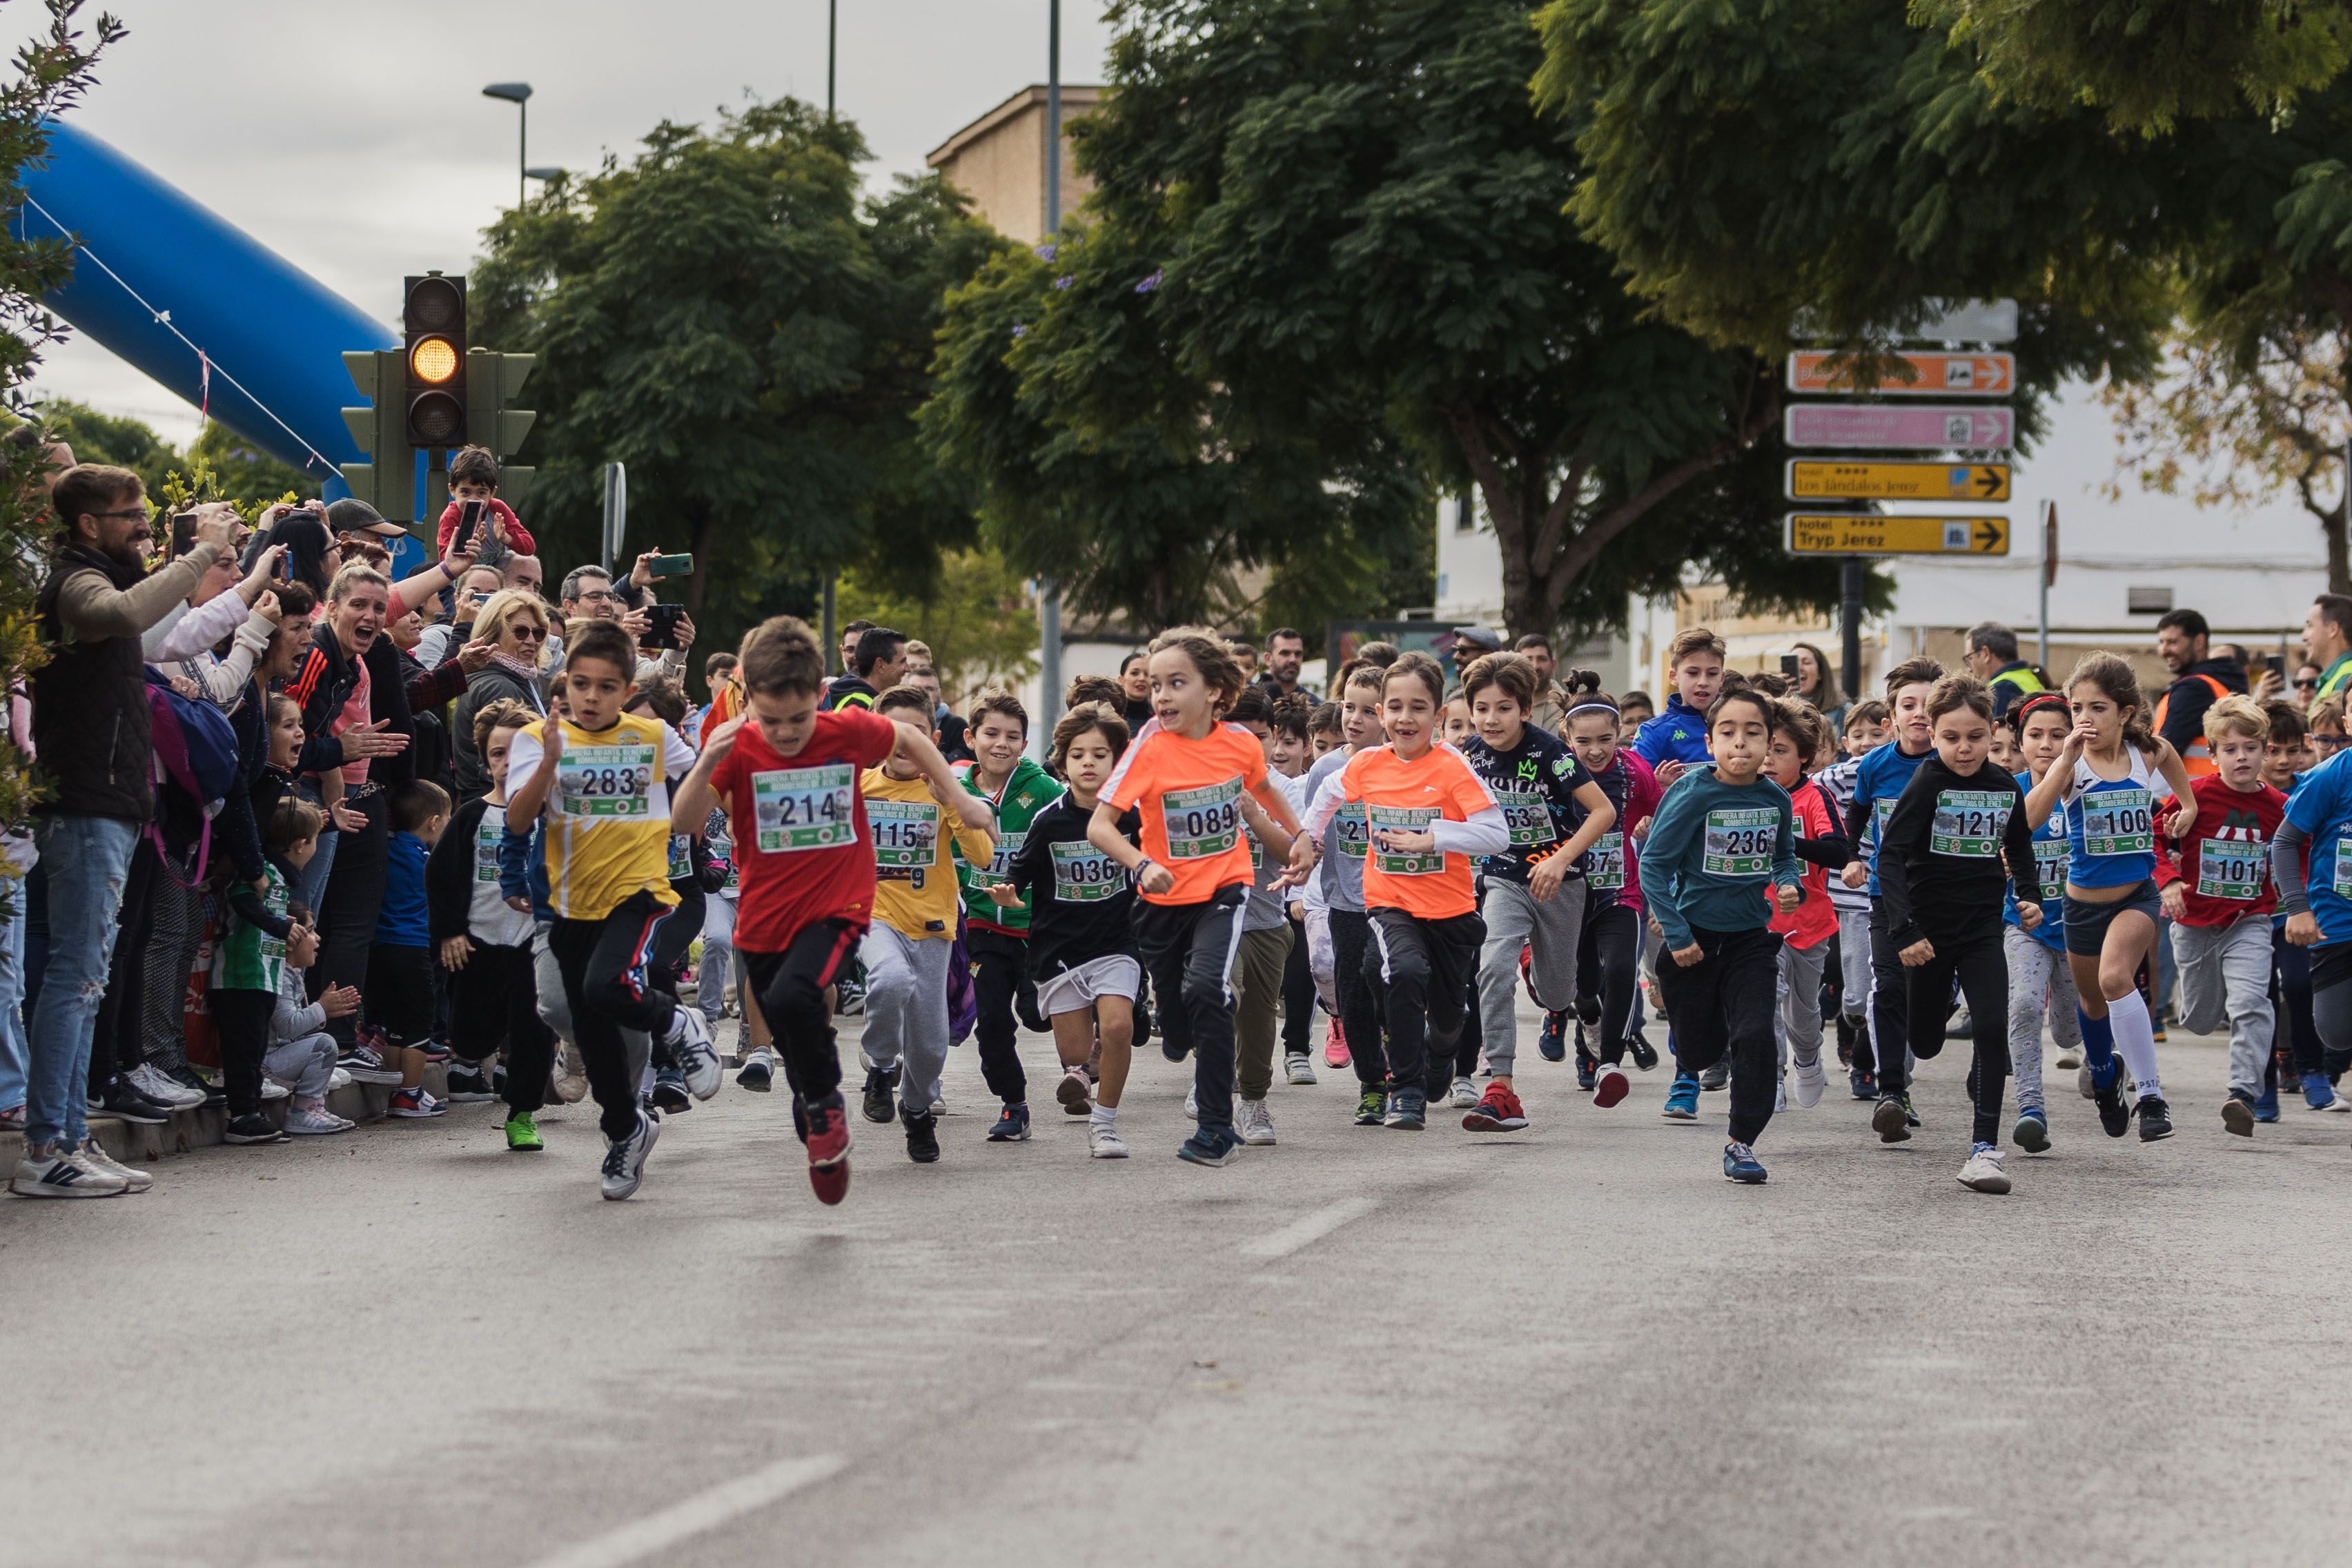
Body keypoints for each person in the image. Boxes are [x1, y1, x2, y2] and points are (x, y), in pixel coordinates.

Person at [669, 616, 990, 1204]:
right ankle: (814, 1104)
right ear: (748, 704)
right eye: (770, 720)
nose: (786, 733)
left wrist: (962, 799)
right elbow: (685, 822)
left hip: (838, 903)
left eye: (798, 718)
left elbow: (913, 740)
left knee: (795, 997)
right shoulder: (736, 745)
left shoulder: (843, 731)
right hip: (765, 916)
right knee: (792, 1026)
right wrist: (708, 756)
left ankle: (826, 1107)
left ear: (821, 695)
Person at [14, 469, 236, 1199]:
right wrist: (200, 553)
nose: (144, 522)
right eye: (130, 513)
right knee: (77, 980)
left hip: (105, 806)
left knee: (86, 977)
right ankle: (48, 1147)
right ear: (87, 524)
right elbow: (123, 610)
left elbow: (160, 619)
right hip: (84, 808)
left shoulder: (98, 576)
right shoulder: (76, 584)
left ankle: (71, 1136)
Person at [506, 620, 723, 1202]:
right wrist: (551, 761)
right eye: (581, 685)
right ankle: (627, 1130)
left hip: (638, 891)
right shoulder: (536, 738)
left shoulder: (651, 737)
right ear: (566, 684)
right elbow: (519, 821)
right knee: (593, 1035)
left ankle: (680, 1024)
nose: (593, 697)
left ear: (627, 690)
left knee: (607, 987)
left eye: (606, 687)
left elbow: (701, 781)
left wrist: (704, 789)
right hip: (568, 903)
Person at [1092, 628, 1306, 1166]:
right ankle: (1178, 1023)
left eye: (1176, 683)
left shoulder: (1236, 742)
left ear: (1213, 690)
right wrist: (1142, 863)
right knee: (1182, 1006)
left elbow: (1263, 789)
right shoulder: (1147, 748)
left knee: (1210, 990)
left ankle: (1215, 1127)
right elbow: (1102, 827)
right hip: (1160, 901)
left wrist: (1299, 835)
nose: (1161, 696)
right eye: (1156, 685)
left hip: (1223, 888)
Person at [1299, 653, 1507, 1129]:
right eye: (1393, 707)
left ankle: (1441, 1053)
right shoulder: (1369, 764)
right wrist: (1309, 841)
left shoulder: (1452, 767)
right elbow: (1330, 793)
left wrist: (1435, 837)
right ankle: (1406, 1091)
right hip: (1389, 902)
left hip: (1451, 907)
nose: (1404, 718)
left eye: (1417, 708)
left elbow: (1496, 834)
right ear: (1381, 713)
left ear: (1437, 718)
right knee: (1401, 971)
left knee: (1452, 1013)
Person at [1875, 676, 2044, 1193]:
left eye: (1975, 737)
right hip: (1927, 933)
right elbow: (1890, 856)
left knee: (1994, 1027)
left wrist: (2030, 894)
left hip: (1981, 930)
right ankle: (1942, 996)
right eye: (1952, 738)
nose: (1964, 749)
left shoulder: (2003, 785)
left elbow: (2019, 847)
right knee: (1924, 1043)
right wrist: (1904, 930)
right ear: (1935, 734)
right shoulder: (1927, 782)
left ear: (1992, 733)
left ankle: (1984, 1150)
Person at [2021, 653, 2197, 1143]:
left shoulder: (2145, 754)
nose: (2084, 719)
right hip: (2081, 905)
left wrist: (2188, 803)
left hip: (2137, 898)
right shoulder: (2072, 767)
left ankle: (2151, 1096)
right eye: (2076, 708)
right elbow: (2030, 820)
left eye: (2097, 708)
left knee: (2117, 977)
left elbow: (2170, 757)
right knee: (2092, 1003)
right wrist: (2063, 762)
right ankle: (2105, 1077)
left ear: (2124, 712)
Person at [1637, 686, 1804, 1184]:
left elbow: (1783, 854)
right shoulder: (1692, 794)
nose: (1740, 744)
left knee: (1756, 1037)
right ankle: (1681, 1013)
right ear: (1710, 743)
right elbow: (1653, 865)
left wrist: (1788, 883)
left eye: (1753, 734)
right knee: (1700, 1051)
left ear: (1769, 743)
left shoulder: (1773, 796)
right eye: (1728, 733)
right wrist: (1677, 933)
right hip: (1695, 942)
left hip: (1751, 938)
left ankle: (1741, 1143)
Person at [1459, 653, 1614, 1128]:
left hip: (1560, 882)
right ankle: (1500, 1086)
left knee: (1556, 993)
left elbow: (1602, 812)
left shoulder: (1551, 753)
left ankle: (1557, 991)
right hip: (1504, 878)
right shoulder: (1470, 753)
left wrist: (1561, 858)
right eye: (1482, 708)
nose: (1491, 719)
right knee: (1491, 967)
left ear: (1525, 710)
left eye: (1503, 708)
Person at [854, 684, 999, 1163]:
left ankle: (916, 1112)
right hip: (873, 916)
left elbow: (982, 857)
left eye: (915, 733)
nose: (903, 743)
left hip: (933, 927)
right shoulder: (859, 787)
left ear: (933, 738)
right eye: (892, 732)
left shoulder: (947, 790)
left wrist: (952, 802)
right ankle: (879, 1064)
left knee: (932, 1046)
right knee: (889, 979)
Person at [993, 703, 1144, 1157]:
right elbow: (1022, 867)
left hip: (1117, 942)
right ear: (1063, 761)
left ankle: (1105, 1124)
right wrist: (1011, 890)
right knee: (1077, 1056)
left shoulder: (1132, 817)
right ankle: (1079, 1075)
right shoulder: (1050, 820)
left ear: (1117, 761)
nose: (1088, 763)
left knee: (1118, 1027)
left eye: (1100, 754)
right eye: (1078, 754)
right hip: (1059, 950)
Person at [430, 698, 558, 1150]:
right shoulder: (471, 817)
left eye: (517, 754)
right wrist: (449, 932)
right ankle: (495, 1036)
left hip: (533, 944)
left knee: (534, 1031)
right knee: (468, 1037)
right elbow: (441, 877)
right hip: (478, 944)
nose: (507, 764)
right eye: (497, 754)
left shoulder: (550, 815)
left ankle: (522, 1114)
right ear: (485, 761)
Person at [2154, 695, 2286, 1135]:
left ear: (2265, 750)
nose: (2242, 757)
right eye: (2229, 750)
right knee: (2202, 1018)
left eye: (2250, 747)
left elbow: (2300, 849)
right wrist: (2169, 879)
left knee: (2251, 1002)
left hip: (2249, 919)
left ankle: (2243, 1093)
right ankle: (2200, 1014)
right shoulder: (2196, 796)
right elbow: (2152, 840)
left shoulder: (2280, 806)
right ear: (2212, 755)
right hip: (2194, 923)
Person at [1836, 658, 1945, 1130]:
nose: (1919, 713)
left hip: (1946, 899)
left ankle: (1902, 1067)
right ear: (1891, 719)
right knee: (1891, 987)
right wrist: (1852, 858)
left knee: (1935, 1000)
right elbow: (1856, 818)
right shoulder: (1876, 765)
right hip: (1887, 894)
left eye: (1928, 705)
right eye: (1909, 705)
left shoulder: (1955, 764)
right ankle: (1892, 1091)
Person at [950, 692, 1055, 1141]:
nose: (1001, 744)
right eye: (991, 734)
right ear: (971, 737)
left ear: (1025, 744)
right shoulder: (954, 790)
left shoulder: (1045, 790)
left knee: (1037, 1016)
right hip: (981, 927)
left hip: (1034, 927)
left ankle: (1075, 1025)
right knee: (991, 1021)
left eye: (1012, 737)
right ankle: (1014, 1104)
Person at [1555, 675, 1660, 1086]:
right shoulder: (1555, 769)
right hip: (1570, 894)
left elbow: (1666, 811)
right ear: (1568, 737)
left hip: (1621, 891)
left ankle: (1609, 1065)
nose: (1596, 750)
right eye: (1584, 742)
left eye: (1606, 739)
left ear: (1620, 734)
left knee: (1620, 970)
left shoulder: (1635, 770)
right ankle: (1589, 1018)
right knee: (1583, 983)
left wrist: (1654, 821)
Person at [1299, 664, 1391, 1122]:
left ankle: (1399, 1044)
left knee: (1384, 976)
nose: (1353, 719)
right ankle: (1372, 1083)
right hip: (1344, 902)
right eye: (1347, 707)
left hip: (1395, 901)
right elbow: (1312, 832)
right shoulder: (1326, 769)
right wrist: (1302, 864)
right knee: (1352, 995)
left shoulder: (1404, 768)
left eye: (1367, 710)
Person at [2002, 694, 2084, 1150]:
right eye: (2036, 735)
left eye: (2059, 735)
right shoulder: (2005, 789)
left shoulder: (2092, 788)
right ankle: (2031, 1106)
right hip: (2023, 924)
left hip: (2081, 928)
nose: (2047, 745)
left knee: (2070, 1029)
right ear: (2020, 741)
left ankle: (2100, 1065)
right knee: (2025, 1005)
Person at [1761, 699, 1847, 1110]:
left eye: (1781, 751)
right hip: (1759, 922)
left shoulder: (1814, 798)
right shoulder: (1741, 796)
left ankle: (1808, 1059)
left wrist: (1784, 843)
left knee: (1804, 1014)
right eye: (1766, 747)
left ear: (1805, 758)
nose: (1769, 759)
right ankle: (1771, 1075)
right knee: (1764, 1000)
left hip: (1809, 923)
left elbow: (1837, 851)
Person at [370, 779, 453, 1120]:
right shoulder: (428, 861)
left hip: (381, 948)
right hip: (415, 948)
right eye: (446, 820)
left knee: (394, 1026)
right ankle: (411, 1094)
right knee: (419, 1024)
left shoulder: (385, 850)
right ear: (434, 822)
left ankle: (394, 1092)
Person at [2153, 609, 2247, 778]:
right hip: (2213, 792)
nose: (2164, 650)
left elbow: (2164, 751)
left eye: (2172, 642)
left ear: (2199, 642)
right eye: (2161, 642)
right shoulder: (2219, 682)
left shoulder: (2194, 688)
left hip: (2188, 797)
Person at [1631, 627, 1726, 782]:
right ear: (1674, 677)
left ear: (1722, 678)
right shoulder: (1653, 732)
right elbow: (1635, 789)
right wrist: (1658, 790)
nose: (1703, 682)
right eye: (1693, 673)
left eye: (1712, 674)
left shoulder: (1740, 722)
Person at [435, 444, 536, 567]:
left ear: (492, 493)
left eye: (481, 493)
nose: (473, 499)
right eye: (465, 492)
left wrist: (506, 538)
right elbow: (446, 562)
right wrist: (467, 543)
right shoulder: (451, 517)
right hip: (467, 580)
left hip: (499, 578)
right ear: (452, 490)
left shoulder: (498, 510)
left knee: (529, 564)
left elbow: (529, 547)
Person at [1962, 623, 2046, 718]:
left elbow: (2000, 732)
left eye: (1969, 658)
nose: (1969, 669)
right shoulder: (2030, 679)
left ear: (1985, 654)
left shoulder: (2002, 689)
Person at [823, 625, 908, 713]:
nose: (908, 669)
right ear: (880, 665)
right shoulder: (859, 708)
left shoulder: (868, 701)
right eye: (902, 662)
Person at [2304, 594, 2352, 712]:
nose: (2303, 636)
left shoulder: (2346, 680)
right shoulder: (2334, 678)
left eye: (2310, 626)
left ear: (2333, 629)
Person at [1257, 626, 1316, 699]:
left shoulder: (1315, 706)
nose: (1293, 659)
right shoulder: (1248, 702)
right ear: (1268, 659)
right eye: (1285, 653)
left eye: (1298, 654)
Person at [1115, 651, 1155, 729]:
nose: (1142, 679)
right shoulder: (1109, 715)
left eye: (1147, 674)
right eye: (1135, 673)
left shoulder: (1161, 718)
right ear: (1121, 680)